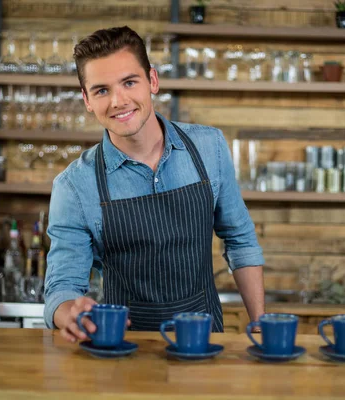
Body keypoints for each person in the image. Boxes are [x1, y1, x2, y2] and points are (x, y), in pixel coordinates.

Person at [44, 26, 265, 343]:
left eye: (129, 83)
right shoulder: (74, 185)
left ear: (153, 81)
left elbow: (240, 237)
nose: (119, 101)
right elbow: (61, 286)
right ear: (87, 100)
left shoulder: (209, 146)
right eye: (101, 90)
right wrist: (69, 312)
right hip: (125, 349)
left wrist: (259, 322)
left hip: (205, 342)